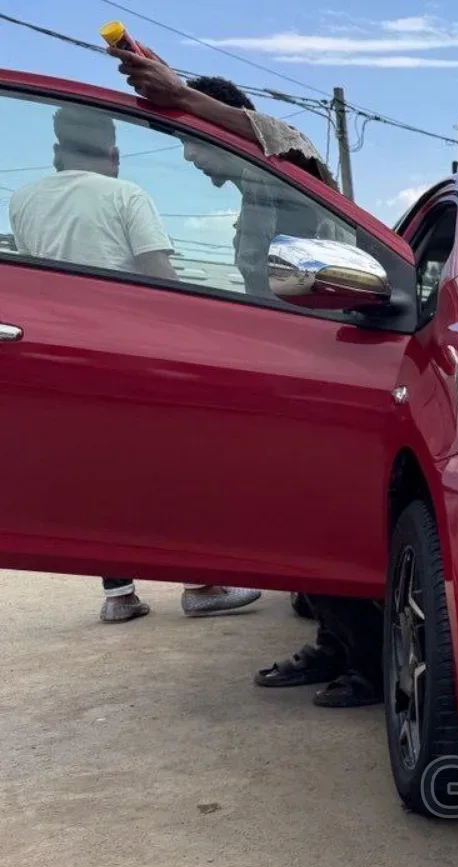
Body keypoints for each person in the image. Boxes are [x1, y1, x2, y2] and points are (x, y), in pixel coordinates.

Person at [113, 50, 382, 707]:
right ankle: (336, 644)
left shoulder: (287, 164)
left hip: (325, 368)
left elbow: (287, 136)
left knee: (313, 516)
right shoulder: (254, 194)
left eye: (192, 147)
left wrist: (180, 97)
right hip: (283, 366)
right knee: (290, 517)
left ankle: (371, 664)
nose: (191, 160)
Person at [9, 106, 261, 624]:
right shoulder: (126, 195)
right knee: (172, 464)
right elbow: (159, 277)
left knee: (95, 475)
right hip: (126, 351)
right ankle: (201, 583)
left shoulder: (22, 200)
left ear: (56, 153)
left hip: (58, 355)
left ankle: (118, 595)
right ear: (115, 155)